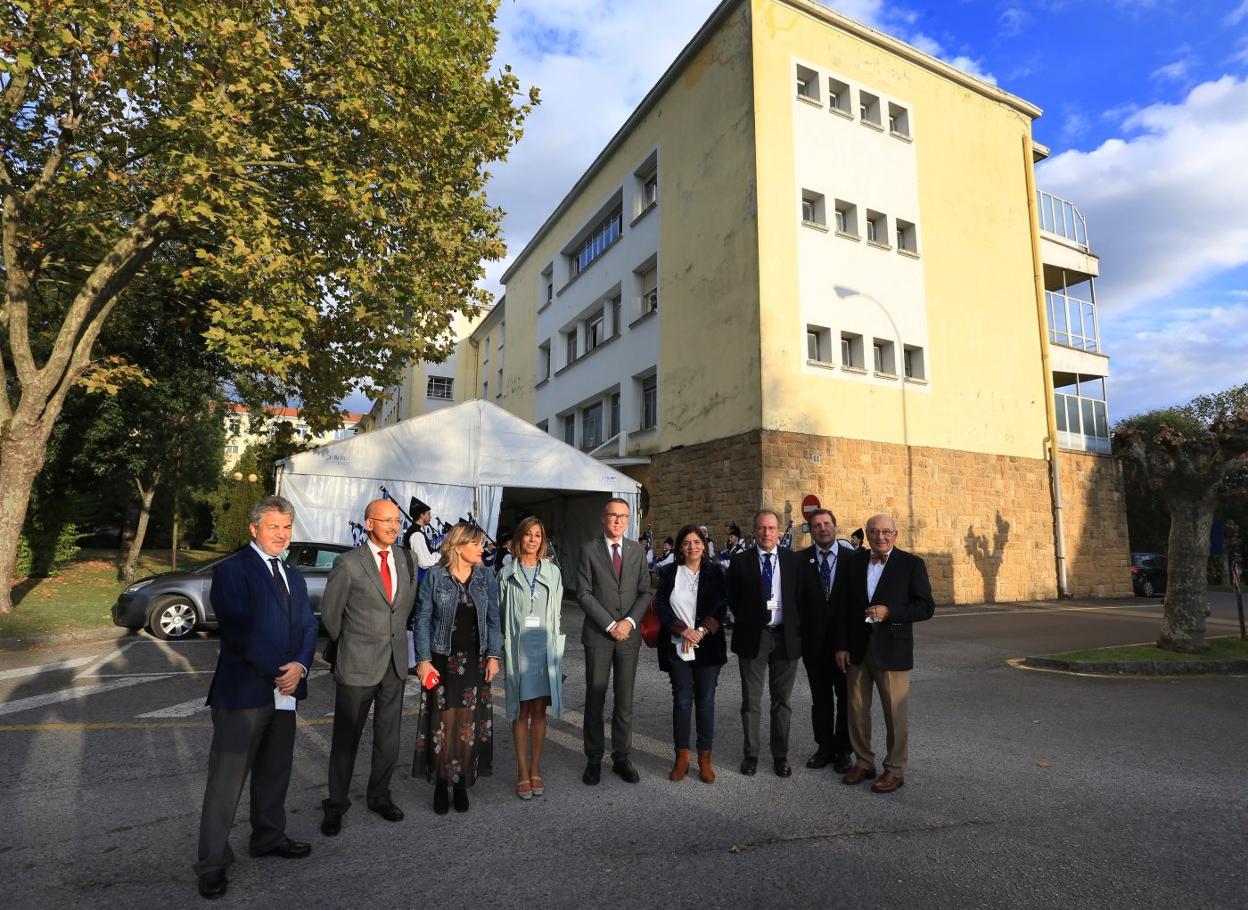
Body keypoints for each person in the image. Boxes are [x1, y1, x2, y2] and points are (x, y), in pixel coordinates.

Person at [193, 496, 317, 900]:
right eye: (273, 527)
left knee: (275, 773)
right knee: (226, 785)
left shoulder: (294, 576)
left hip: (285, 693)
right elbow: (240, 632)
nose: (281, 535)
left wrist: (299, 665)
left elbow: (307, 628)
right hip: (243, 694)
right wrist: (279, 672)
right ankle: (212, 863)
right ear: (254, 529)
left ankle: (268, 836)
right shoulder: (232, 571)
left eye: (286, 527)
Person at [319, 498, 417, 836]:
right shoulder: (348, 564)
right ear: (369, 523)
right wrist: (352, 646)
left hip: (395, 665)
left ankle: (379, 796)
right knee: (346, 740)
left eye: (397, 520)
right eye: (386, 520)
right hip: (357, 666)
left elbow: (405, 609)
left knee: (388, 740)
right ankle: (336, 805)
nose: (394, 525)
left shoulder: (407, 559)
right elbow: (331, 616)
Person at [835, 513, 935, 794]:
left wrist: (890, 613)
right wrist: (841, 645)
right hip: (857, 650)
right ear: (866, 534)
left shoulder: (911, 564)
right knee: (856, 711)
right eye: (875, 532)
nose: (880, 537)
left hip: (893, 650)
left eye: (886, 531)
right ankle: (864, 762)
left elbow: (925, 607)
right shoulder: (854, 562)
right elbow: (841, 608)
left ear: (895, 534)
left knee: (895, 714)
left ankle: (895, 769)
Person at [412, 523, 502, 814]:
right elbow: (422, 619)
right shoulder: (436, 577)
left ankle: (461, 782)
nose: (481, 548)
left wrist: (494, 656)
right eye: (476, 544)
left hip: (475, 660)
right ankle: (441, 782)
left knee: (467, 724)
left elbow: (493, 620)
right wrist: (423, 660)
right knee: (443, 724)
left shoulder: (486, 576)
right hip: (442, 659)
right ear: (458, 546)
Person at [576, 497, 651, 785]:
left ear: (628, 520)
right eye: (613, 515)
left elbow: (645, 592)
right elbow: (582, 593)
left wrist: (629, 622)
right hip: (598, 635)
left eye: (624, 516)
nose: (618, 520)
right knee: (595, 699)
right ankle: (593, 759)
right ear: (603, 518)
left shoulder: (636, 551)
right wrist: (610, 624)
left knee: (624, 700)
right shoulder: (588, 550)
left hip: (628, 637)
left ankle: (622, 757)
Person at [727, 509, 802, 778]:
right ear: (754, 532)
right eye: (761, 528)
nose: (766, 533)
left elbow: (800, 599)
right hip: (753, 638)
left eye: (771, 528)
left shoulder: (794, 561)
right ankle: (752, 753)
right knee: (751, 701)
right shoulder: (740, 562)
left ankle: (780, 755)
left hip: (785, 639)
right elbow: (733, 599)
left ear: (779, 532)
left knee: (782, 701)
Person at [654, 525, 728, 783]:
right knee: (682, 702)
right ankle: (682, 757)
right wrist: (683, 631)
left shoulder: (715, 572)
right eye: (686, 542)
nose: (692, 547)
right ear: (679, 547)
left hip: (707, 647)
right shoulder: (668, 572)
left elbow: (720, 606)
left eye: (697, 542)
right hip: (677, 645)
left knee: (705, 703)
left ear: (704, 544)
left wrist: (700, 632)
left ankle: (704, 759)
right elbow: (661, 606)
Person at [498, 517, 565, 800]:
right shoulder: (505, 573)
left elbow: (557, 613)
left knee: (539, 711)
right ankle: (522, 771)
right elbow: (499, 615)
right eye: (528, 534)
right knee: (520, 710)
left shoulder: (552, 572)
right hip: (518, 650)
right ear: (519, 539)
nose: (533, 539)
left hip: (543, 650)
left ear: (543, 541)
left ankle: (536, 768)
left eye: (538, 535)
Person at [796, 509, 854, 773]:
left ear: (835, 526)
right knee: (821, 700)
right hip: (814, 646)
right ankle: (824, 747)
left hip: (846, 646)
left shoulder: (855, 560)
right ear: (811, 530)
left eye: (827, 524)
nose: (822, 528)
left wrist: (847, 642)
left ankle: (844, 750)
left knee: (846, 699)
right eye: (817, 525)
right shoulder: (801, 561)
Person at [402, 499, 439, 673]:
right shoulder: (416, 535)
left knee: (415, 620)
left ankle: (412, 660)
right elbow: (424, 562)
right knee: (415, 620)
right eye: (428, 513)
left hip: (419, 581)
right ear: (422, 515)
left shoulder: (417, 533)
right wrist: (441, 556)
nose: (430, 516)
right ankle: (411, 662)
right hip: (418, 581)